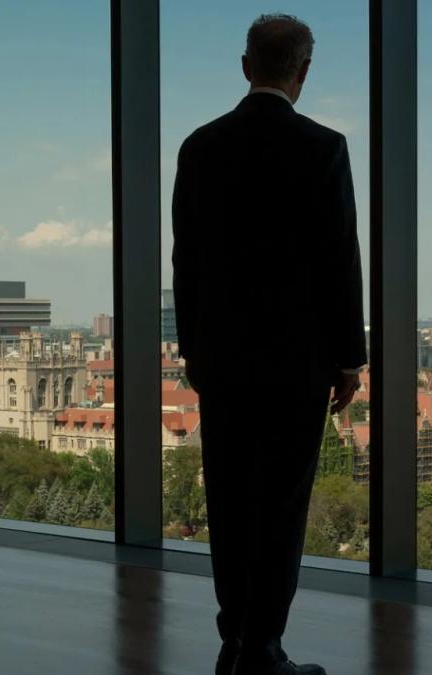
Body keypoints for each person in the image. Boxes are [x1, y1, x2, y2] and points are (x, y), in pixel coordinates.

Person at [172, 13, 365, 675]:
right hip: (297, 364)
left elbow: (186, 264)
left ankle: (233, 639)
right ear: (303, 72)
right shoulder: (324, 147)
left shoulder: (199, 147)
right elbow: (340, 259)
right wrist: (349, 358)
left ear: (245, 64)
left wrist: (194, 351)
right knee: (282, 506)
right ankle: (264, 648)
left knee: (227, 501)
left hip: (221, 363)